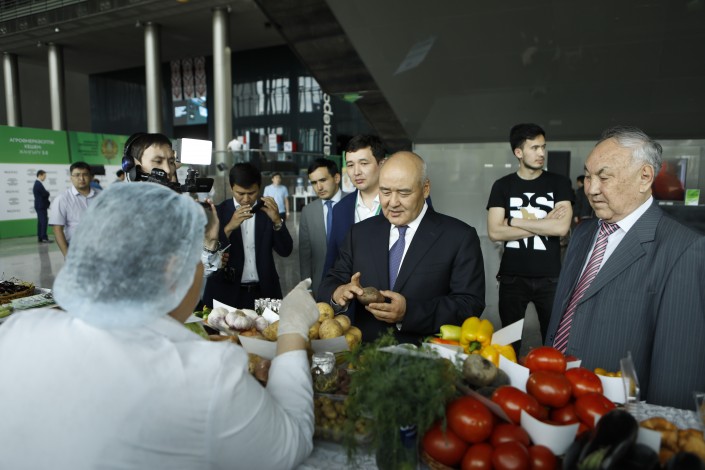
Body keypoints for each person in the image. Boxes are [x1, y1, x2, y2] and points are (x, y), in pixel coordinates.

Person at [0, 183, 319, 469]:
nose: (203, 265)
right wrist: (292, 327)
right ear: (172, 270)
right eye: (199, 256)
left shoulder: (18, 331)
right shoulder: (204, 373)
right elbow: (289, 444)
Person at [544, 126, 705, 409]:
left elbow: (678, 368)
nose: (591, 189)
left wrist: (655, 428)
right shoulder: (583, 233)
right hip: (556, 396)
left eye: (604, 177)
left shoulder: (683, 249)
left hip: (618, 413)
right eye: (588, 176)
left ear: (644, 177)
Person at [318, 151, 485, 344]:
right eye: (385, 192)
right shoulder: (360, 233)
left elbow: (469, 304)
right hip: (365, 355)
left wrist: (410, 312)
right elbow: (331, 281)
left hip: (427, 355)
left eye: (404, 193)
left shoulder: (459, 237)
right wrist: (338, 292)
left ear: (425, 189)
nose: (393, 202)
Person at [486, 123, 573, 351]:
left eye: (543, 147)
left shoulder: (559, 183)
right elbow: (494, 232)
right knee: (508, 345)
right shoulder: (502, 186)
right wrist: (544, 223)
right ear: (518, 152)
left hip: (551, 278)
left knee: (554, 344)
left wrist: (513, 221)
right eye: (534, 148)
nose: (541, 153)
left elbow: (561, 228)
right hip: (512, 277)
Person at [121, 132, 221, 276]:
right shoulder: (119, 215)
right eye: (158, 161)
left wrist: (209, 244)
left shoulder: (178, 211)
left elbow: (193, 275)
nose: (168, 170)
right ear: (131, 166)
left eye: (171, 162)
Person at [202, 163, 293, 309]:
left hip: (265, 293)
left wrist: (277, 220)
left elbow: (286, 250)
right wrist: (229, 227)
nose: (246, 199)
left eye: (251, 193)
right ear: (231, 188)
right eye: (240, 193)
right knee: (224, 326)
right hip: (226, 294)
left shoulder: (268, 211)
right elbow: (208, 256)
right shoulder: (219, 212)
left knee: (270, 325)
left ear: (259, 187)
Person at [322, 135, 386, 279]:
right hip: (350, 290)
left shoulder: (399, 204)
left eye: (363, 163)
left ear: (382, 164)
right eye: (350, 165)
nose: (356, 172)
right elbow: (332, 259)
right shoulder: (340, 209)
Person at [299, 158, 346, 296]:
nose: (319, 187)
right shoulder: (308, 211)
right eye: (314, 182)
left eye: (323, 180)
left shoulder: (354, 203)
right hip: (320, 285)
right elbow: (305, 256)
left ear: (336, 178)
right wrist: (307, 288)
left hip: (350, 284)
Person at [49, 161, 100, 257]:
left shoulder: (102, 195)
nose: (81, 178)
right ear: (71, 178)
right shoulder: (62, 199)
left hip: (101, 248)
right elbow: (57, 229)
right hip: (77, 250)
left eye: (85, 174)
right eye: (77, 175)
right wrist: (67, 255)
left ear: (91, 176)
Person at [33, 170, 51, 243]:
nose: (45, 178)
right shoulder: (38, 184)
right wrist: (48, 193)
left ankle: (40, 237)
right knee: (44, 221)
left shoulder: (37, 183)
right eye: (44, 176)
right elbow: (45, 194)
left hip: (39, 205)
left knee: (40, 222)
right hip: (41, 206)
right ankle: (44, 238)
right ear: (40, 175)